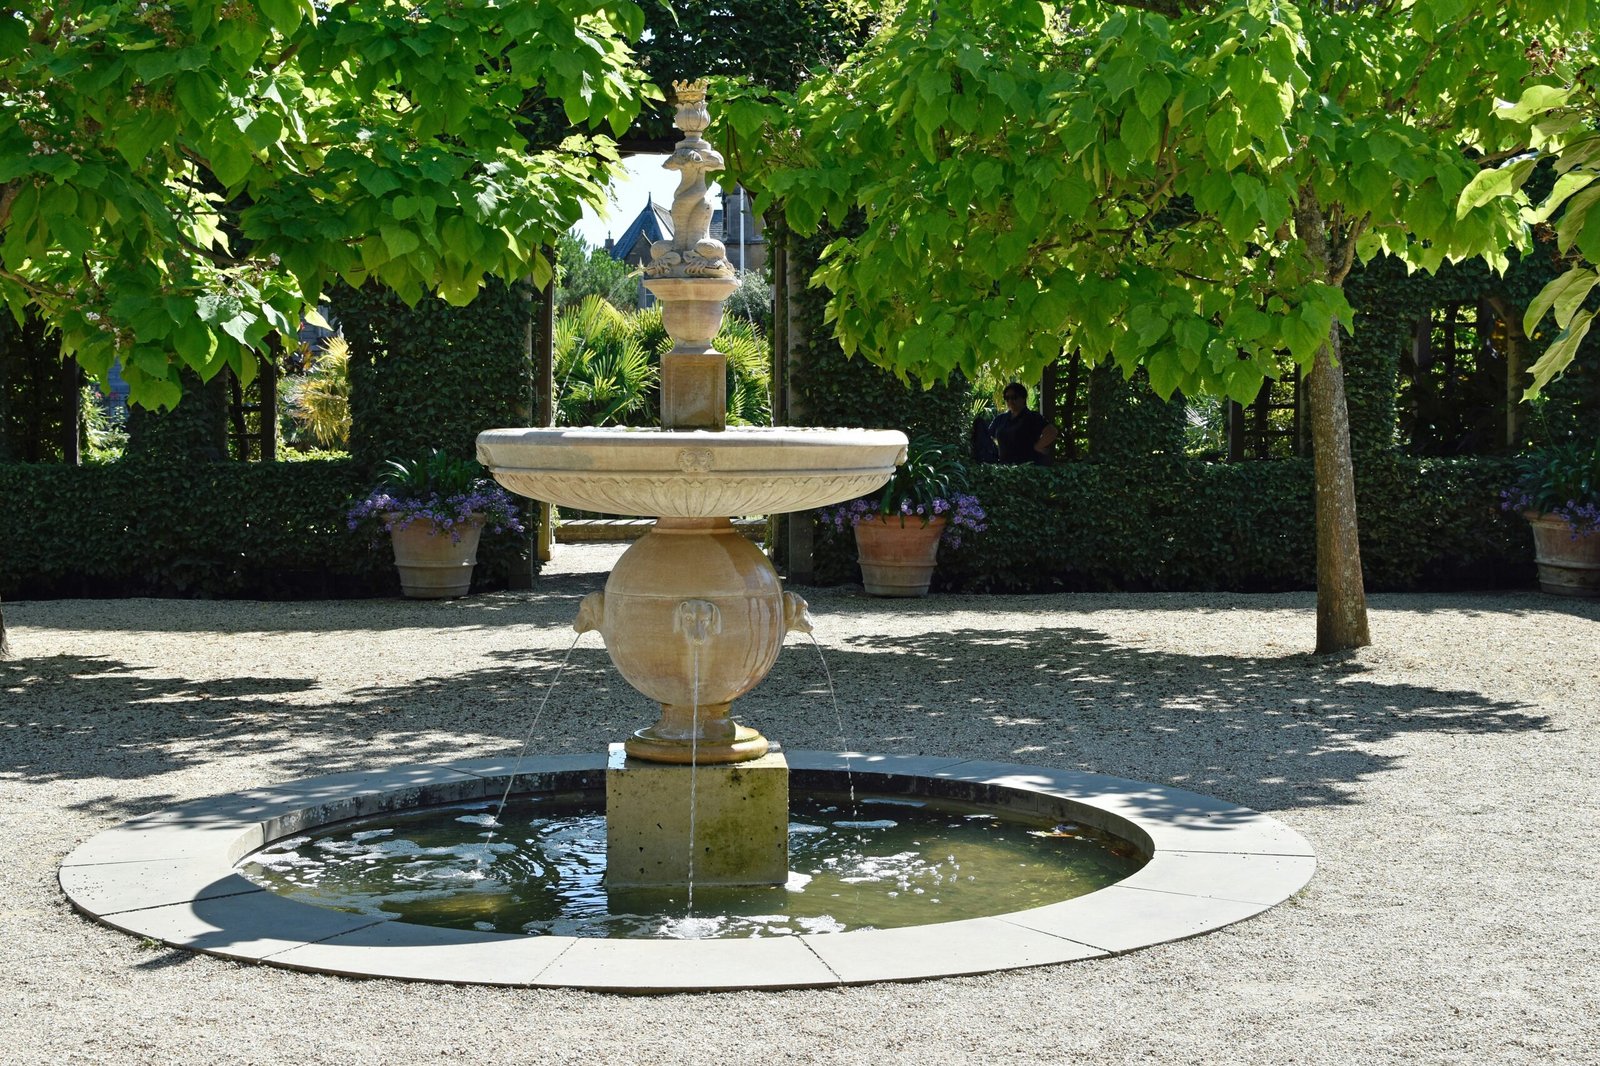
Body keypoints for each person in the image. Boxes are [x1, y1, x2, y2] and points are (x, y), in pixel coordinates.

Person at [990, 382, 1058, 465]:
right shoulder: (1000, 419)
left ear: (1023, 398)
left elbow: (1052, 431)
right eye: (1007, 398)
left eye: (1014, 397)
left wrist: (1038, 446)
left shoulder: (1032, 417)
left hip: (1027, 468)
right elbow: (989, 436)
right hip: (1004, 469)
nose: (1010, 401)